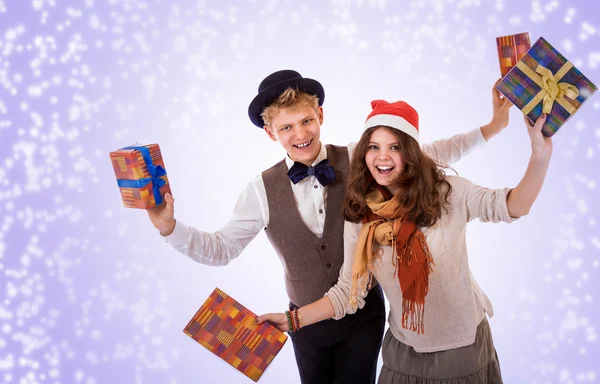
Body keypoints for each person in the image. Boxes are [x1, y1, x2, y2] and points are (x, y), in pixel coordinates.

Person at [148, 69, 512, 383]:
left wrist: (492, 128)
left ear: (320, 115)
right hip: (306, 321)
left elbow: (427, 153)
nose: (300, 133)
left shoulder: (360, 156)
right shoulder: (260, 191)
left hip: (363, 312)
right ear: (269, 133)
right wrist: (170, 228)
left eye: (306, 120)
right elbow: (221, 248)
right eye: (286, 127)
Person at [257, 99, 551, 383]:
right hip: (403, 350)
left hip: (461, 346)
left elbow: (514, 206)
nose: (382, 156)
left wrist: (539, 156)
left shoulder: (448, 193)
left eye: (394, 147)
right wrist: (292, 320)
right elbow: (348, 291)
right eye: (374, 147)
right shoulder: (361, 213)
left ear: (411, 153)